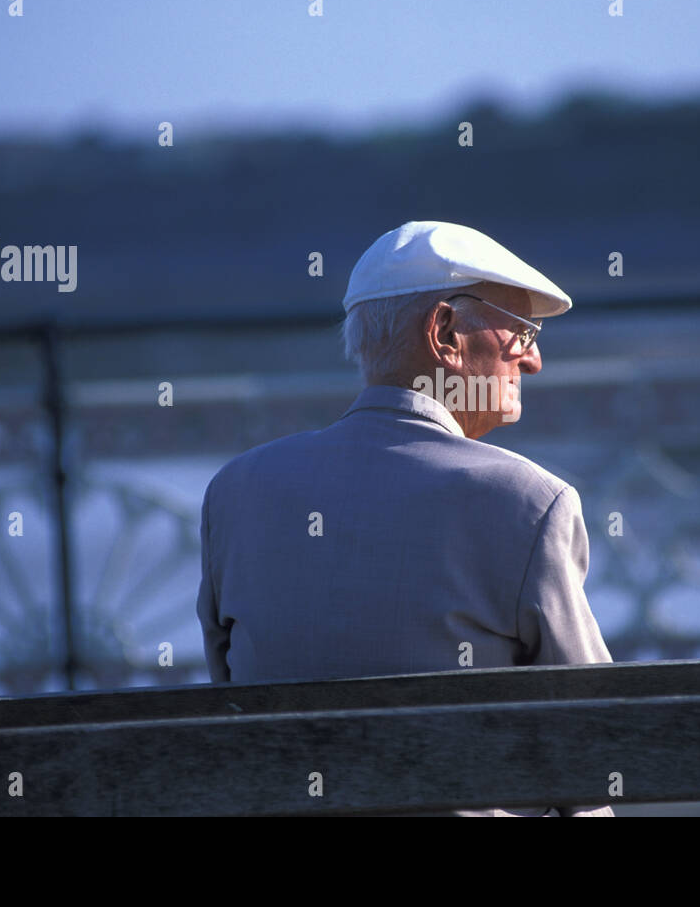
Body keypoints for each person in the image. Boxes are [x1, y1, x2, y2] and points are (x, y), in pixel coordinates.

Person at [196, 220, 614, 816]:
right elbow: (596, 745)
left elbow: (230, 713)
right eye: (521, 330)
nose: (535, 359)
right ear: (445, 332)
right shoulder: (529, 504)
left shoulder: (235, 494)